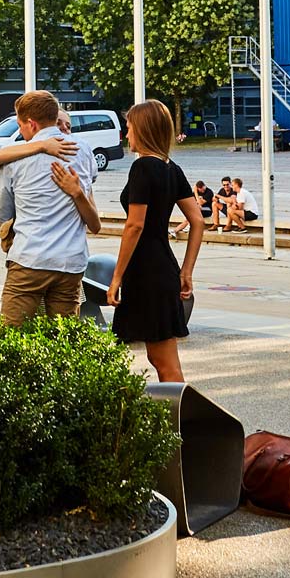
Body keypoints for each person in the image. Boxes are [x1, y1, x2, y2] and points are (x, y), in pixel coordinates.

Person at [93, 99, 204, 382]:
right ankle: (175, 409)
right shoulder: (171, 168)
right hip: (163, 265)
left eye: (129, 127)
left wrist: (116, 277)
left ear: (143, 130)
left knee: (165, 362)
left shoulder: (142, 167)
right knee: (160, 357)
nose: (126, 134)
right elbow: (198, 221)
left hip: (147, 271)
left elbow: (135, 225)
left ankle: (180, 411)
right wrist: (186, 270)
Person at [0, 92, 97, 325]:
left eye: (20, 126)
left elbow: (0, 214)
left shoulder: (14, 158)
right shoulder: (85, 150)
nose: (21, 132)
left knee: (13, 334)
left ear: (31, 124)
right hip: (71, 262)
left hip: (29, 259)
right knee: (63, 336)